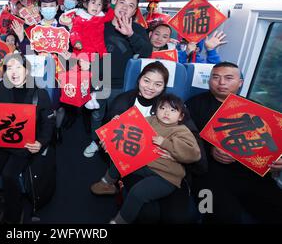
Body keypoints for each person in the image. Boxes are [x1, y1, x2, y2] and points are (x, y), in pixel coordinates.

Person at [186, 61, 282, 223]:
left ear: (240, 83)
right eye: (216, 77)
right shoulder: (193, 105)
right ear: (209, 81)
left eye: (229, 78)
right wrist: (210, 150)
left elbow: (271, 141)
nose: (222, 83)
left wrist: (277, 159)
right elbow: (184, 139)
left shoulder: (255, 108)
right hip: (207, 172)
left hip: (249, 172)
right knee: (213, 211)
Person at [0, 53, 55, 224]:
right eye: (9, 68)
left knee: (9, 175)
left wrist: (41, 143)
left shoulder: (39, 93)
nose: (13, 72)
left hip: (25, 145)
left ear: (27, 70)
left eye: (18, 67)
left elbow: (48, 124)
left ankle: (13, 214)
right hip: (2, 142)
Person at [109, 94, 201, 224]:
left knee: (138, 192)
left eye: (172, 110)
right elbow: (130, 128)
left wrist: (166, 143)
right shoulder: (150, 120)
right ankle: (106, 182)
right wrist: (118, 122)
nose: (166, 112)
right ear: (155, 110)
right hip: (145, 165)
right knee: (121, 159)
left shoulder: (181, 130)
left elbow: (194, 154)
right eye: (162, 108)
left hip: (166, 176)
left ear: (181, 117)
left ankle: (119, 221)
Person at [84, 0, 153, 158]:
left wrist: (130, 34)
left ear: (135, 11)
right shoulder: (100, 24)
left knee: (118, 117)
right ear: (115, 4)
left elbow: (146, 52)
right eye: (122, 2)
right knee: (97, 115)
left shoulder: (137, 29)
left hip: (123, 85)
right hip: (99, 81)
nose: (125, 8)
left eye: (131, 6)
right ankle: (95, 140)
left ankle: (114, 146)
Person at [90, 61, 169, 192]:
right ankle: (110, 183)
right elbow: (108, 128)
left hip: (157, 153)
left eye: (158, 84)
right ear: (139, 80)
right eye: (146, 81)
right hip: (129, 151)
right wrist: (107, 140)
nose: (150, 87)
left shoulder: (168, 105)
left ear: (164, 87)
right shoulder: (123, 100)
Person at [62, 0, 114, 109]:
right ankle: (86, 97)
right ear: (86, 4)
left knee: (97, 77)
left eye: (99, 4)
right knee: (85, 76)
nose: (96, 6)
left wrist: (112, 5)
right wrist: (77, 42)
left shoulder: (101, 17)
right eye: (93, 3)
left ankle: (92, 96)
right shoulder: (80, 19)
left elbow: (111, 15)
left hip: (98, 52)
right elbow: (74, 32)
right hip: (83, 52)